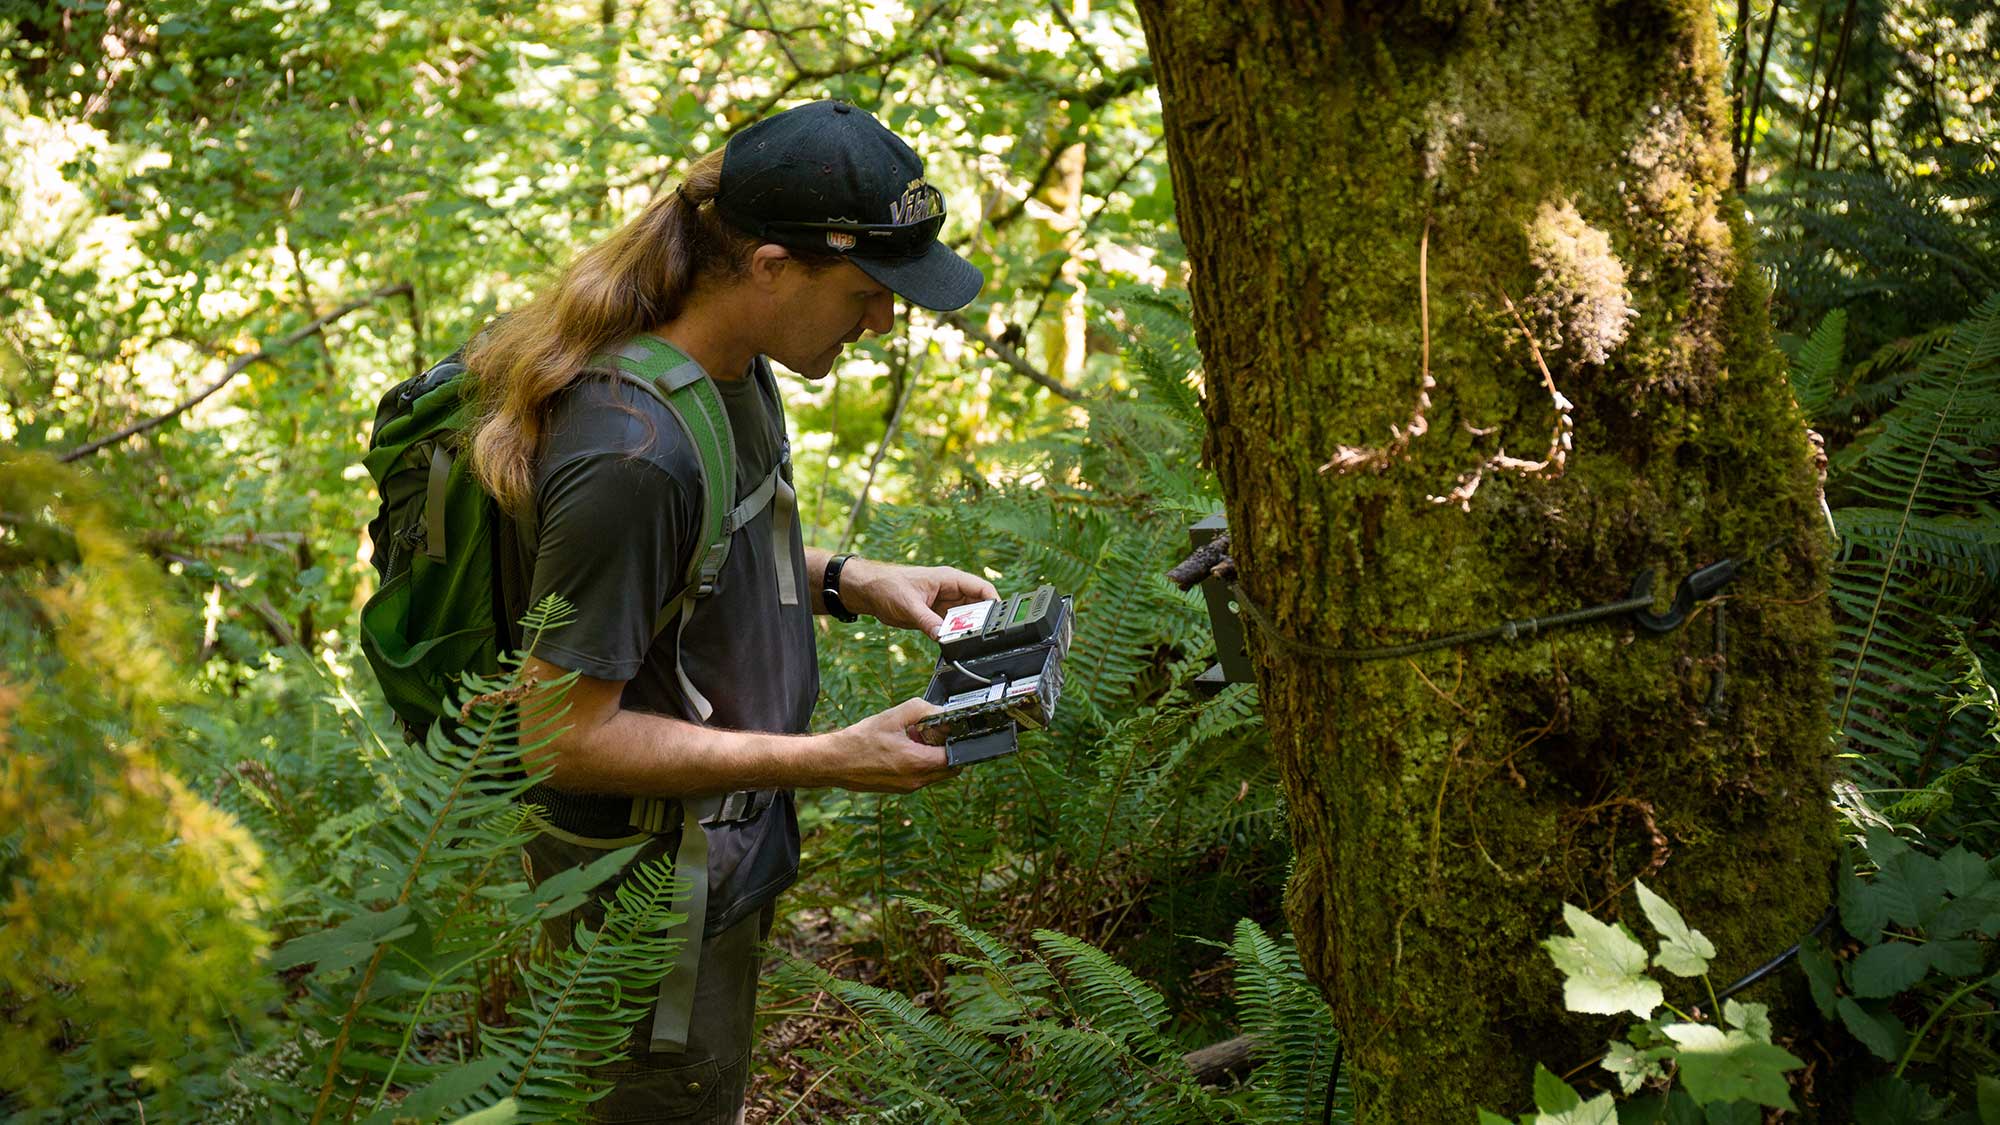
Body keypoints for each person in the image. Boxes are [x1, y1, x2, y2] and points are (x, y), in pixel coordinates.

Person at [461, 100, 996, 1124]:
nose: (885, 320)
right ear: (766, 266)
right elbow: (556, 735)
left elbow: (696, 550)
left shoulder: (735, 371)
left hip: (715, 854)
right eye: (867, 291)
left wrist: (850, 579)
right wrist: (829, 755)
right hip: (639, 899)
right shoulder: (628, 451)